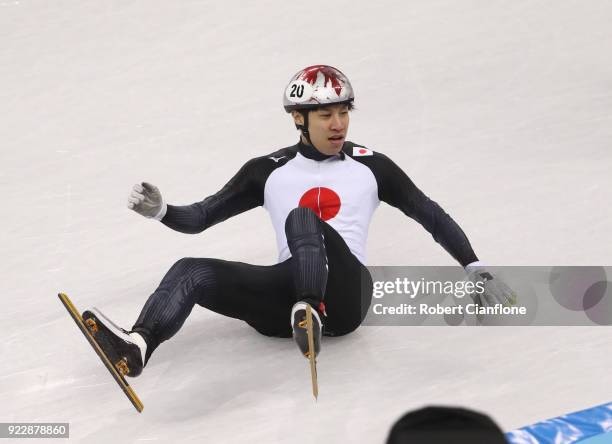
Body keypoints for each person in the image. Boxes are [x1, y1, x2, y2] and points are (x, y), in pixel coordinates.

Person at [82, 65, 515, 378]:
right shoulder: (265, 170)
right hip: (283, 297)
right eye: (326, 115)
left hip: (346, 296)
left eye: (344, 112)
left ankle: (312, 307)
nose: (338, 124)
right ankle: (137, 346)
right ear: (298, 118)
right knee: (189, 270)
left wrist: (475, 268)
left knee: (303, 218)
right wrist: (160, 210)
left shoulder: (373, 166)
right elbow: (201, 217)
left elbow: (430, 215)